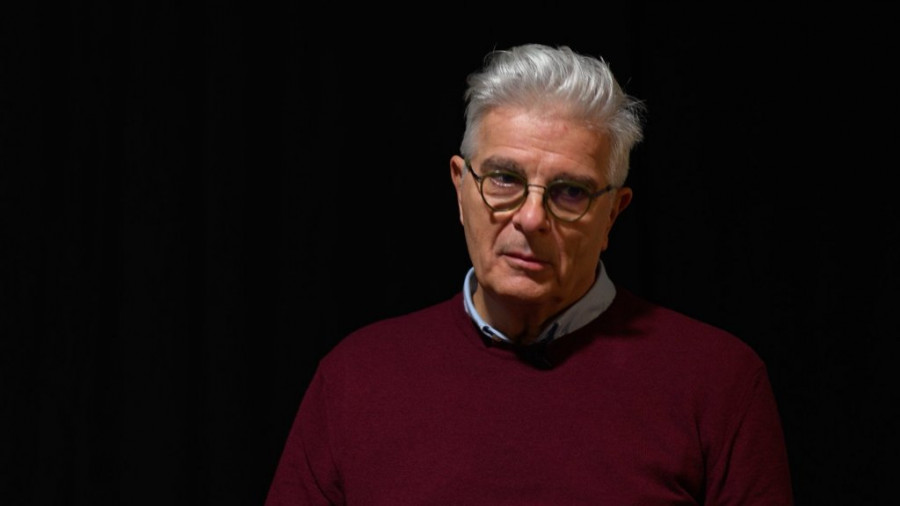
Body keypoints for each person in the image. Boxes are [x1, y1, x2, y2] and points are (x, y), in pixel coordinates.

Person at [265, 43, 793, 505]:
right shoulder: (355, 377)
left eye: (570, 191)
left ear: (613, 214)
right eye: (503, 178)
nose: (532, 218)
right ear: (461, 188)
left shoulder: (719, 382)